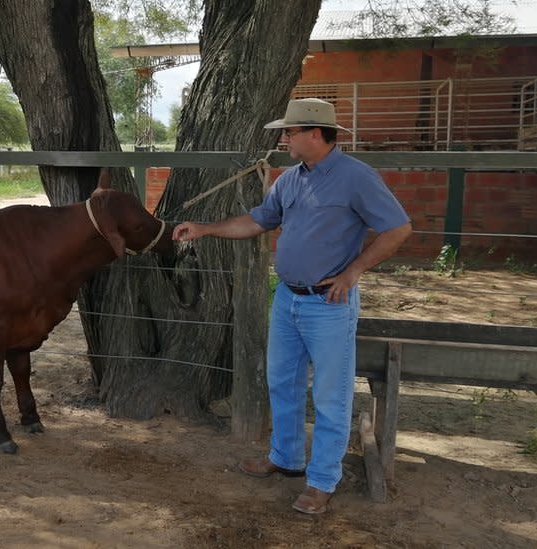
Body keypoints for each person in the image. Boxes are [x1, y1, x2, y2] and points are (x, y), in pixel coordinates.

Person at [172, 98, 412, 514]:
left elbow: (398, 228)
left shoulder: (357, 178)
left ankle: (321, 481)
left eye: (290, 132)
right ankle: (285, 459)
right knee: (282, 382)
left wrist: (353, 271)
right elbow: (259, 221)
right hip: (287, 299)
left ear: (315, 134)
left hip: (329, 304)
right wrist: (206, 229)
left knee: (330, 394)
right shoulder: (290, 178)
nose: (284, 138)